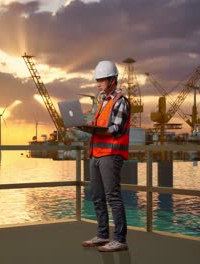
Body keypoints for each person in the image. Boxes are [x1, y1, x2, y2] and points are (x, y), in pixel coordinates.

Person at [81, 60, 131, 252]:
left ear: (112, 80)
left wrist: (95, 129)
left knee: (113, 197)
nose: (98, 83)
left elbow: (116, 130)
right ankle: (103, 235)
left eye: (101, 80)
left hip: (111, 154)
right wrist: (86, 126)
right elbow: (99, 125)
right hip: (96, 154)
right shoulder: (103, 102)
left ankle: (120, 239)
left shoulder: (121, 102)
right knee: (97, 196)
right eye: (97, 80)